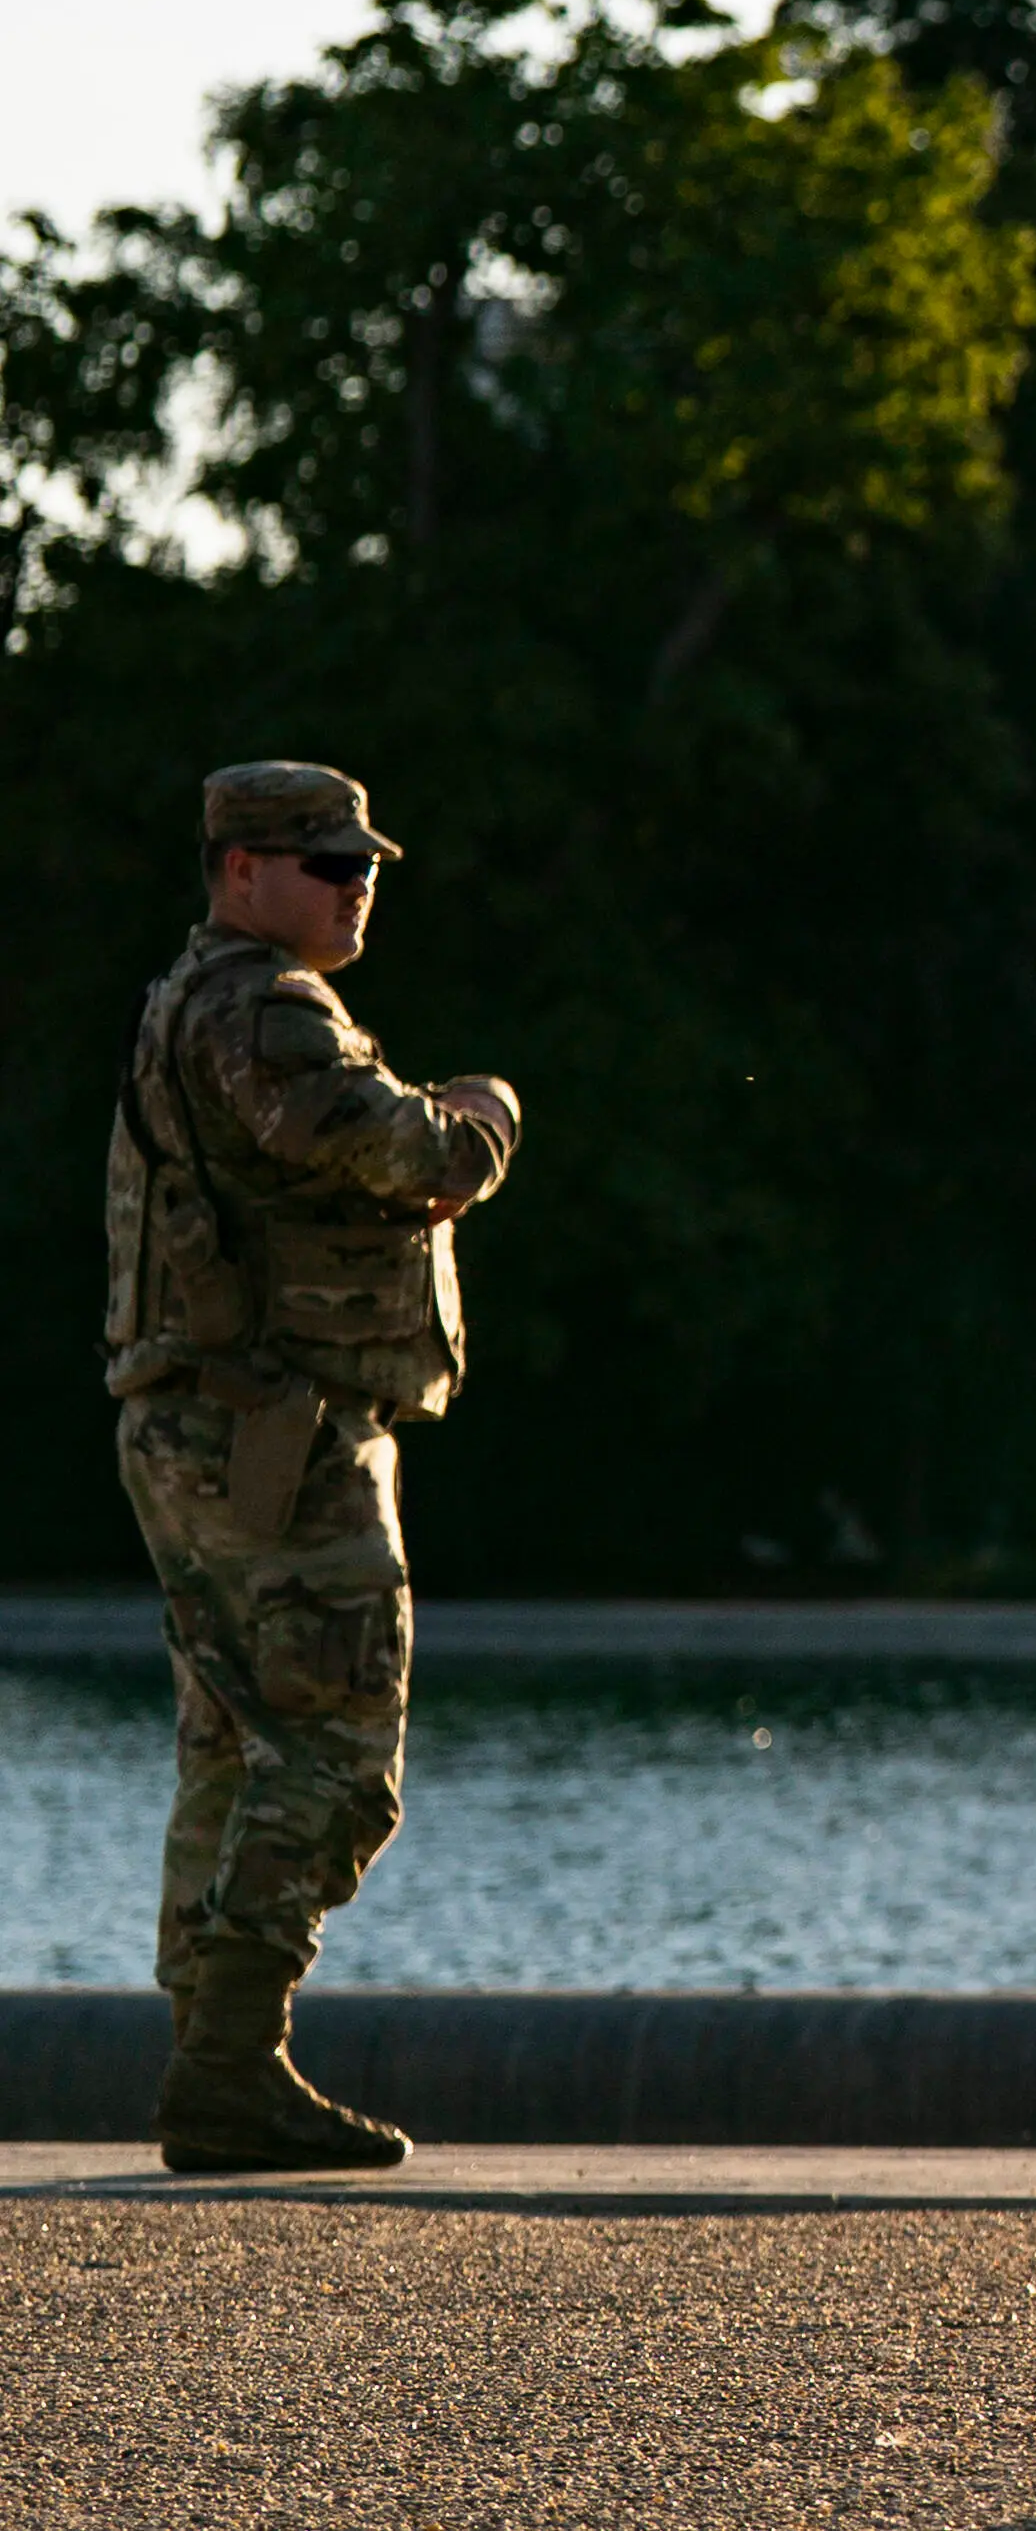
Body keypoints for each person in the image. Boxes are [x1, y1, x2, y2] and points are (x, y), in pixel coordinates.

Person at [104, 762, 520, 2173]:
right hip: (276, 1433)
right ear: (239, 867)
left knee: (230, 1743)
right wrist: (486, 1118)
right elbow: (408, 1151)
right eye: (326, 861)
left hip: (204, 1424)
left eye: (364, 862)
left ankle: (209, 2060)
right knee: (338, 1744)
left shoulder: (188, 1000)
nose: (359, 882)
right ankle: (230, 2065)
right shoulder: (267, 1010)